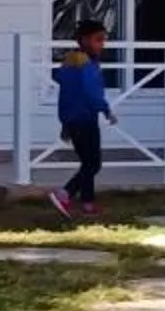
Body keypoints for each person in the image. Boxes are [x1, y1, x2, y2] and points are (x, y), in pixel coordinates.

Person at [48, 20, 116, 219]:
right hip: (86, 119)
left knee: (87, 163)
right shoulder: (86, 65)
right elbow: (91, 92)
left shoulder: (70, 62)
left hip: (74, 119)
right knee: (93, 164)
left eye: (103, 40)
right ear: (84, 40)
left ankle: (88, 203)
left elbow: (66, 96)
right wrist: (105, 109)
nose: (102, 44)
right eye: (98, 40)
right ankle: (64, 194)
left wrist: (65, 123)